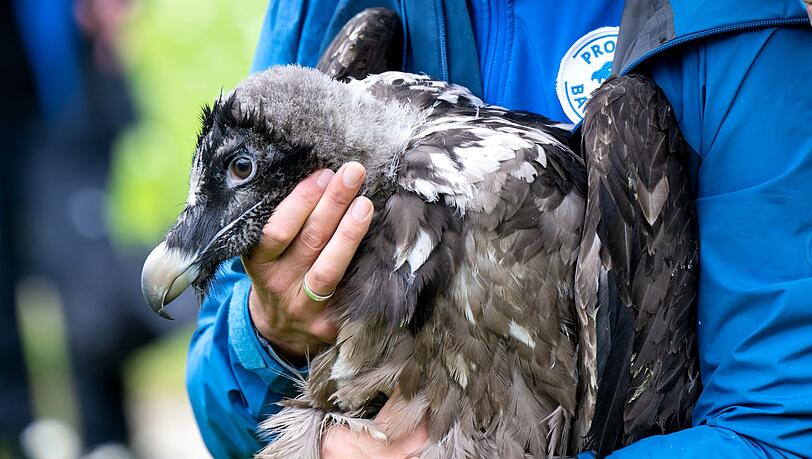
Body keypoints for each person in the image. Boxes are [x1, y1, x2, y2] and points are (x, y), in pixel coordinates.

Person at [186, 0, 812, 457]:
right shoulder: (334, 16)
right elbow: (219, 399)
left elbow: (778, 430)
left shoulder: (734, 21)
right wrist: (270, 335)